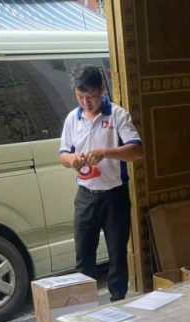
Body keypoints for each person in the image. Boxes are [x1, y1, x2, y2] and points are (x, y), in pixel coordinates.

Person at [58, 65, 143, 302]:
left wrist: (105, 152)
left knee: (117, 254)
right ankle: (83, 306)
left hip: (114, 196)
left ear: (102, 89)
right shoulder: (72, 119)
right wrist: (72, 160)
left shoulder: (117, 115)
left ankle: (118, 302)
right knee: (83, 255)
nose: (86, 103)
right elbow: (63, 154)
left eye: (91, 97)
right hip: (85, 195)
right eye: (80, 97)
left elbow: (137, 151)